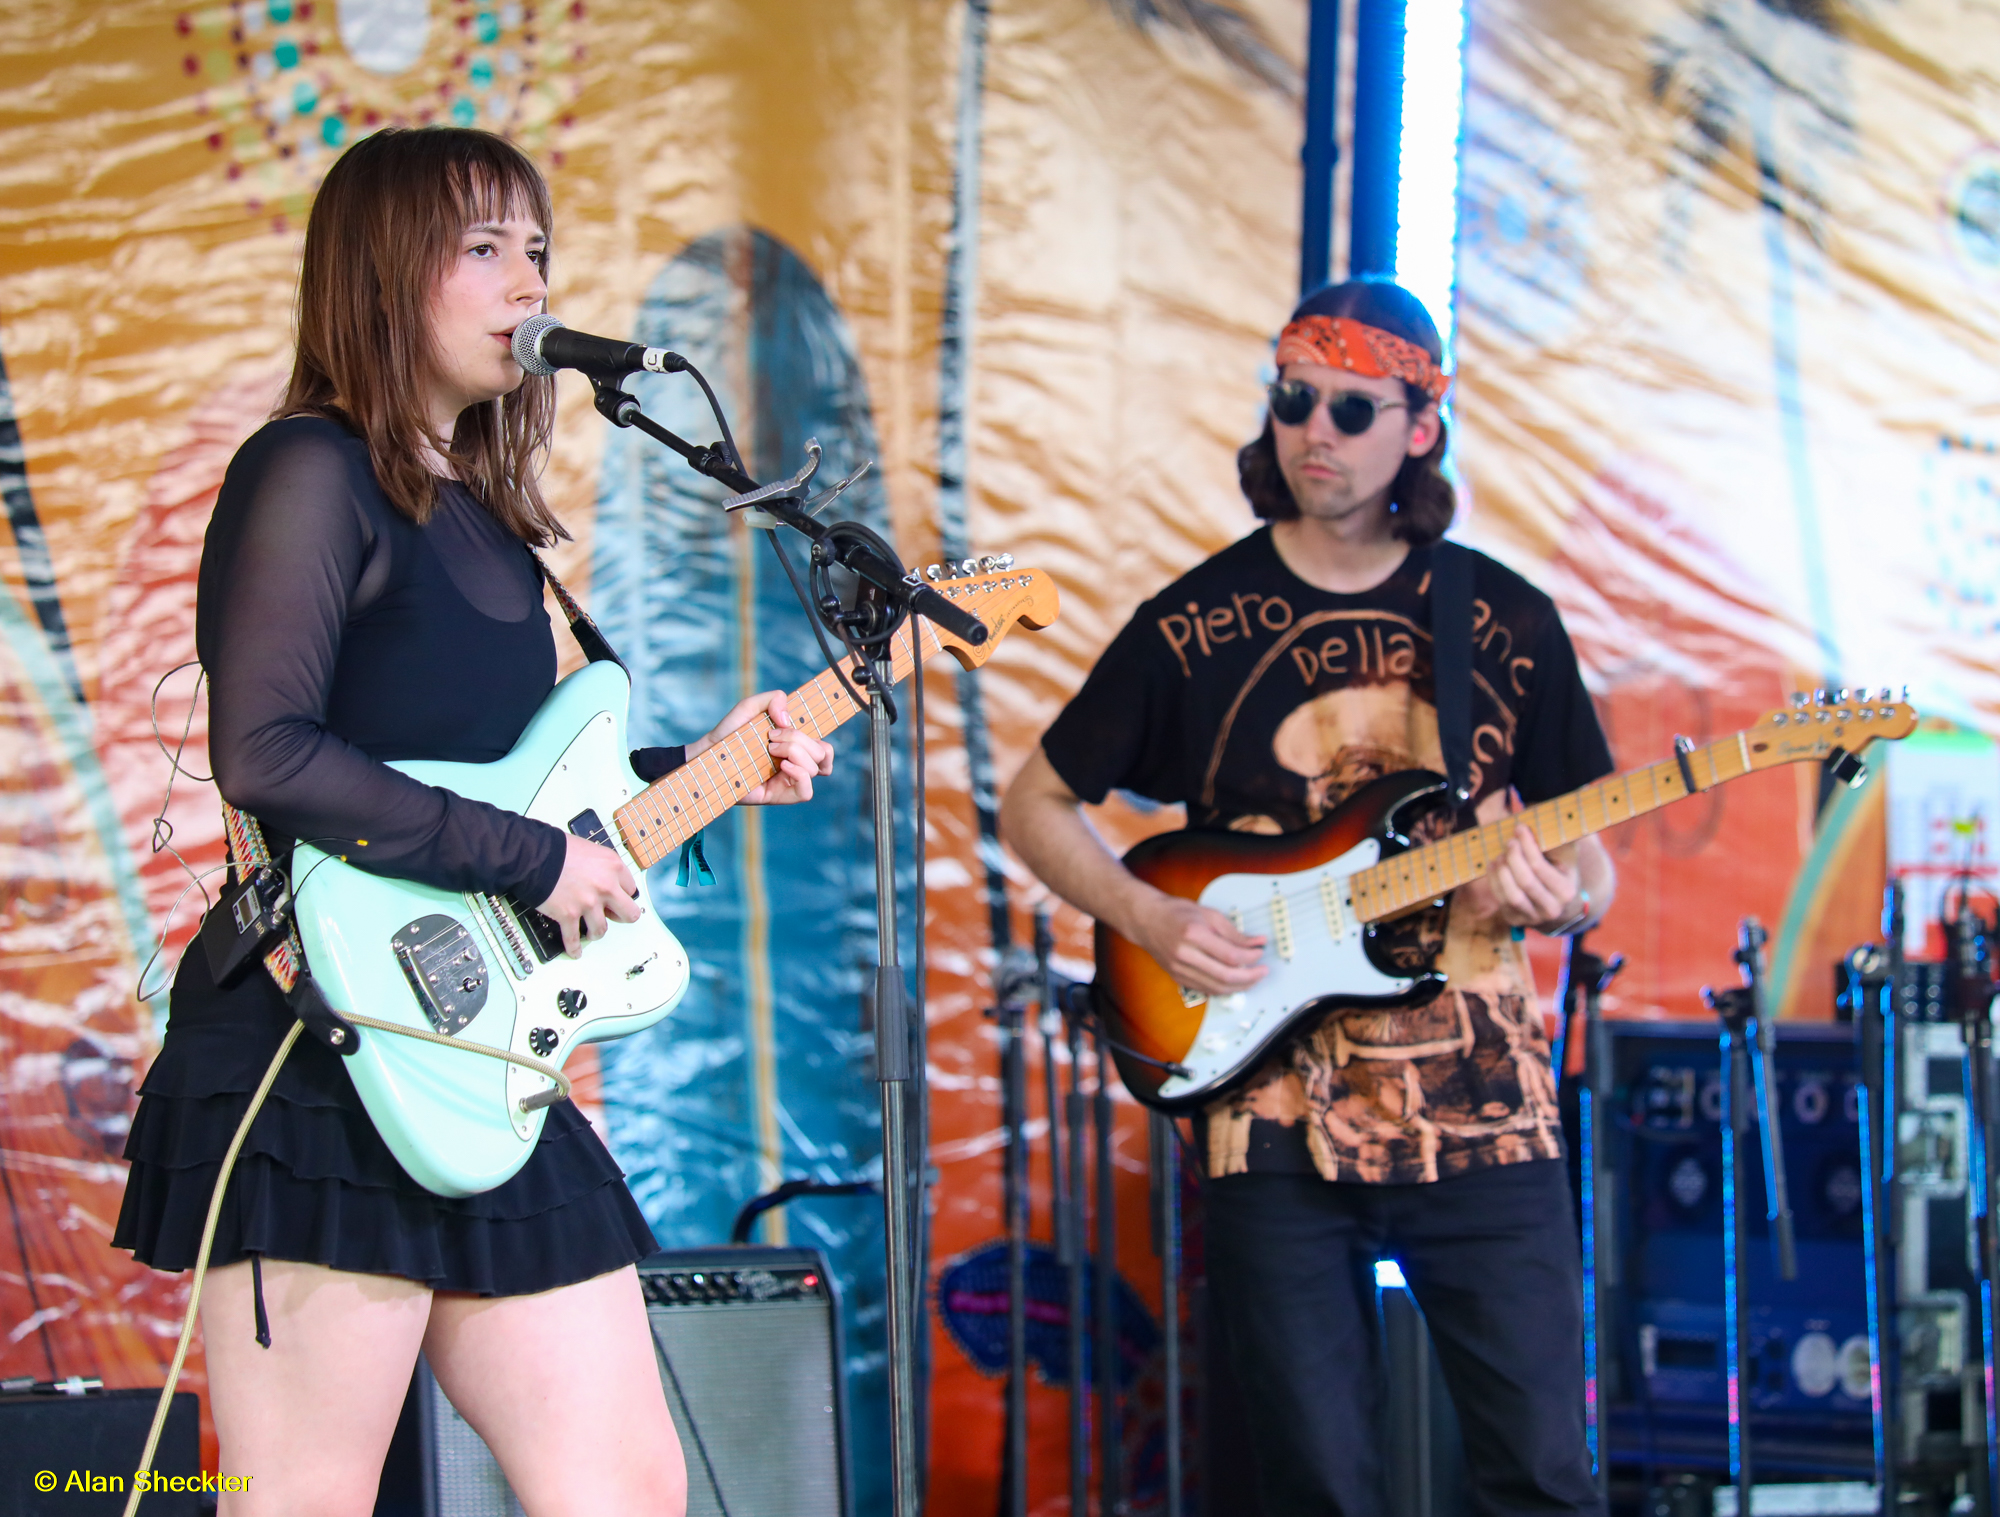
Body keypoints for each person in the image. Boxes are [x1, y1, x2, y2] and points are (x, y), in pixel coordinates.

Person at [112, 127, 834, 1517]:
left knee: (624, 1488)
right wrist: (534, 857)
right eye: (484, 247)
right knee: (301, 1499)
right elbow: (263, 747)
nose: (528, 283)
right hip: (321, 1047)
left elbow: (501, 782)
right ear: (384, 274)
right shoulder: (309, 469)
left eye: (540, 250)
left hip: (480, 1050)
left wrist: (710, 763)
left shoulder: (487, 515)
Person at [999, 277, 1613, 1515]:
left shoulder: (1504, 619)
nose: (1313, 429)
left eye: (1347, 405)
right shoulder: (1193, 624)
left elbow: (1590, 850)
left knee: (1542, 1471)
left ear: (1418, 426)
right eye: (1292, 399)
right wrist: (1149, 917)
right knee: (1314, 1486)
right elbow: (1034, 804)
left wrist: (1560, 894)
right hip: (1266, 1113)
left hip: (1478, 1108)